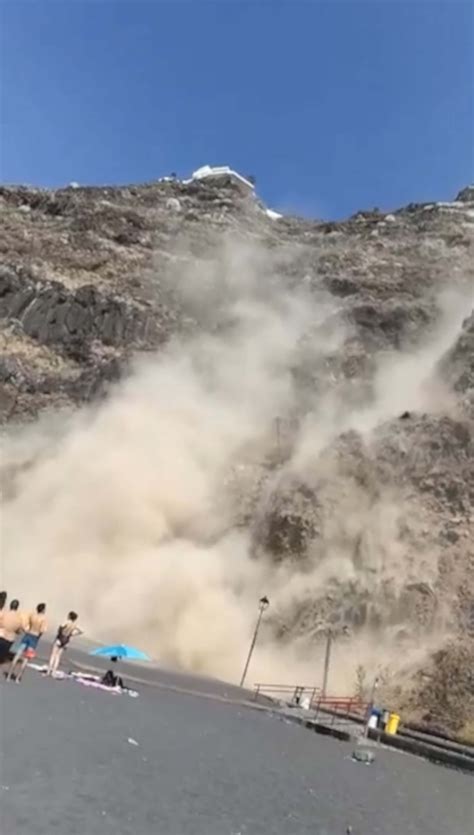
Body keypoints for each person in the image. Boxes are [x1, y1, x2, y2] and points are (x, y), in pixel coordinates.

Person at [7, 602, 48, 683]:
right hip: (34, 638)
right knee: (26, 658)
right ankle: (18, 678)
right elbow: (42, 630)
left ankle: (9, 675)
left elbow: (28, 624)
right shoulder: (43, 619)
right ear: (43, 610)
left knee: (18, 655)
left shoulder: (33, 615)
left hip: (28, 635)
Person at [46, 611, 82, 677]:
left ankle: (48, 671)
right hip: (66, 640)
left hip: (60, 638)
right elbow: (81, 631)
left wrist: (59, 636)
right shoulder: (74, 625)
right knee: (58, 656)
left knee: (53, 655)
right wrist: (72, 634)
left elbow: (60, 629)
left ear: (69, 616)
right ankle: (54, 672)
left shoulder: (66, 622)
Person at [0, 600, 25, 664]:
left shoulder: (4, 613)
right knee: (2, 655)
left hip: (1, 634)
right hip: (10, 638)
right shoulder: (19, 618)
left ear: (10, 606)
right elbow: (19, 630)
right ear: (17, 607)